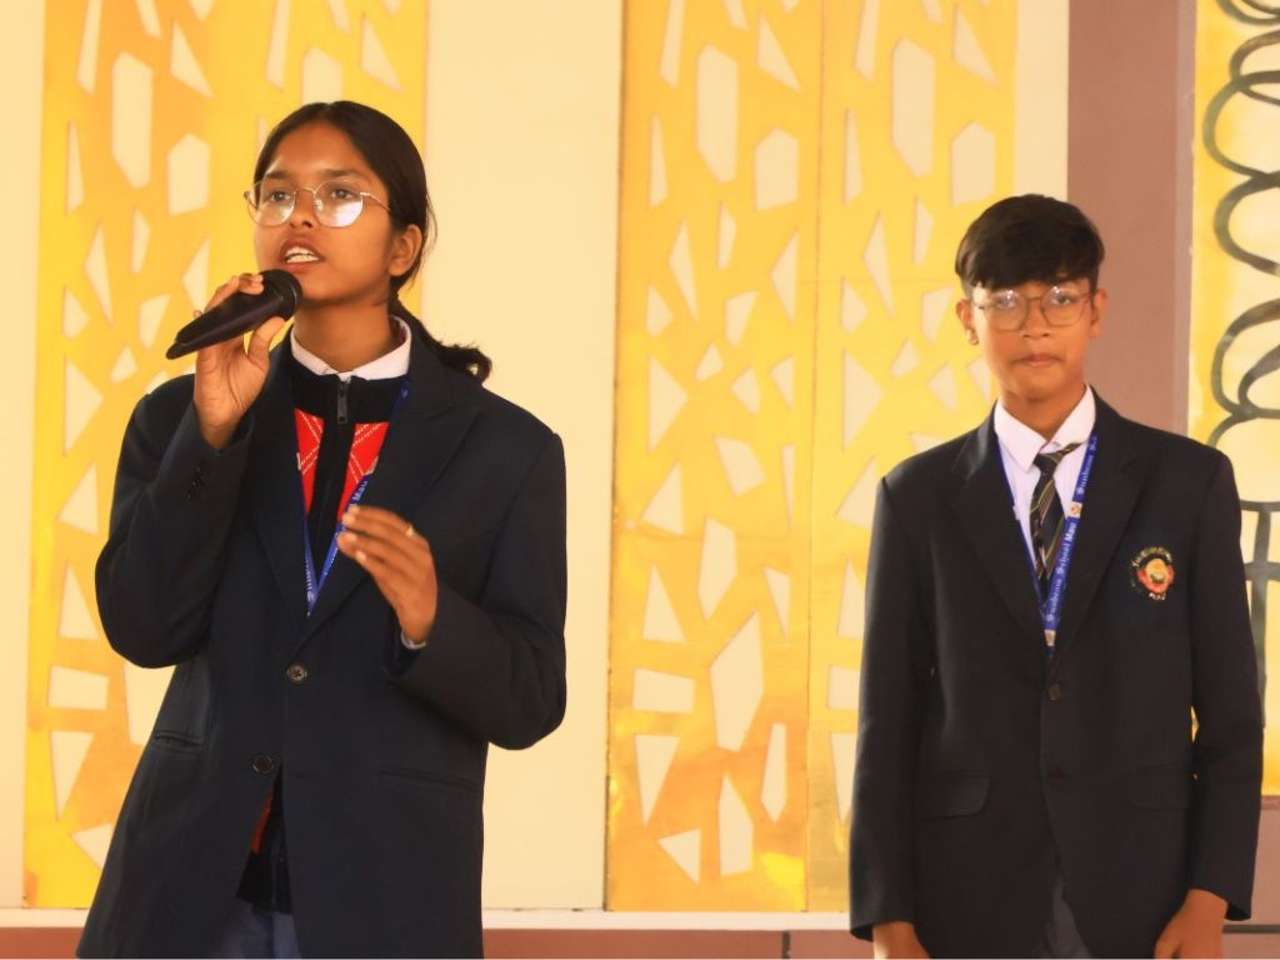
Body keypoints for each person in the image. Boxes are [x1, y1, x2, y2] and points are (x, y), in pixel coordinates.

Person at [78, 101, 567, 958]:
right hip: (186, 899)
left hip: (386, 906)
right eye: (277, 195)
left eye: (339, 195)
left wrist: (433, 621)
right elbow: (142, 628)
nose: (299, 217)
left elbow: (529, 700)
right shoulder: (182, 417)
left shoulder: (507, 450)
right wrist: (211, 437)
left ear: (403, 247)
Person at [848, 195, 1262, 958]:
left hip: (1145, 887)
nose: (1034, 326)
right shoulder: (917, 498)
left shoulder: (1187, 483)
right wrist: (886, 918)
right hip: (965, 895)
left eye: (1060, 298)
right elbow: (887, 722)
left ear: (1096, 310)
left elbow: (1232, 715)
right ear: (967, 319)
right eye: (1006, 302)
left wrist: (1211, 898)